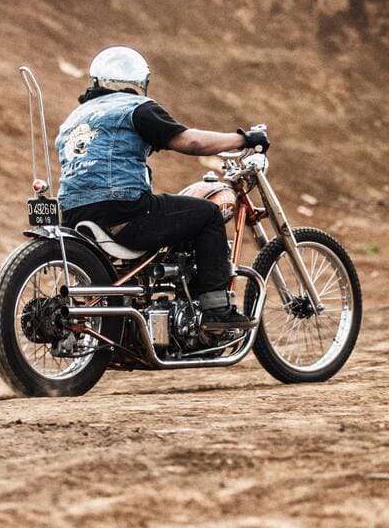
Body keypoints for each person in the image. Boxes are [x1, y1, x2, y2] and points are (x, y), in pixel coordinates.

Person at [55, 46, 269, 328]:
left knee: (174, 218)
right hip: (123, 210)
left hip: (72, 214)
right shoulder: (135, 108)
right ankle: (216, 311)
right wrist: (243, 139)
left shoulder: (75, 118)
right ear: (138, 83)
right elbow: (190, 142)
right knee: (207, 214)